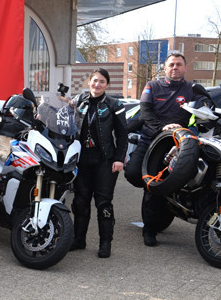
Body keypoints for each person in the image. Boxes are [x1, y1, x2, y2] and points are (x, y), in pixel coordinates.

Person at [124, 53, 204, 247]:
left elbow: (205, 109)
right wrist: (162, 127)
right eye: (171, 65)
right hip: (150, 140)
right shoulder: (152, 86)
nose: (175, 68)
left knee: (154, 186)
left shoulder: (192, 89)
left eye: (179, 64)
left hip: (175, 146)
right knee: (133, 174)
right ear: (165, 68)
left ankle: (149, 230)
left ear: (185, 68)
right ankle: (164, 195)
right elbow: (146, 112)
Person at [70, 69, 127, 258]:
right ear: (89, 82)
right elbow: (65, 120)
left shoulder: (114, 104)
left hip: (105, 160)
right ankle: (79, 239)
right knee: (80, 201)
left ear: (107, 85)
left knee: (103, 203)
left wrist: (119, 158)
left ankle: (105, 243)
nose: (97, 84)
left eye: (102, 81)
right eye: (95, 80)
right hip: (82, 160)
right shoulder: (80, 101)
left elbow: (123, 134)